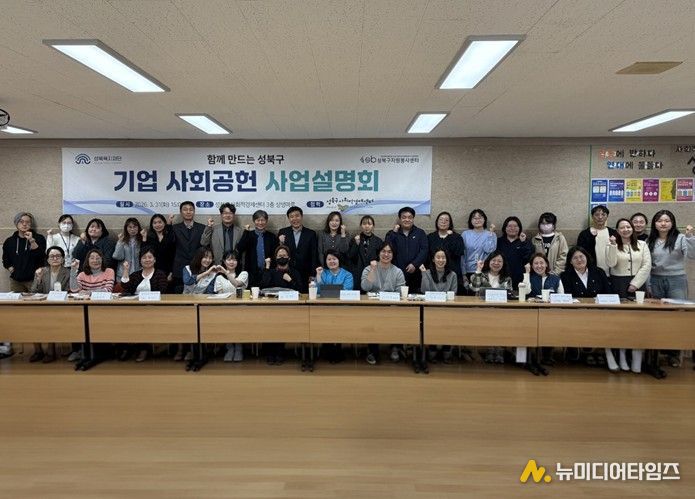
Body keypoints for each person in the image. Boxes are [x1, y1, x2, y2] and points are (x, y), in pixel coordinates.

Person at [646, 210, 695, 372]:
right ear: (654, 224)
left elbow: (692, 255)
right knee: (657, 317)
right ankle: (656, 354)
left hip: (676, 280)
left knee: (677, 316)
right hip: (655, 279)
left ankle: (674, 354)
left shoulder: (680, 238)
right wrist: (648, 284)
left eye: (667, 220)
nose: (663, 223)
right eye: (660, 220)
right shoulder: (649, 240)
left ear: (672, 223)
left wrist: (690, 237)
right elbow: (646, 264)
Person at [560, 246, 617, 372]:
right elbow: (566, 297)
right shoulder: (565, 276)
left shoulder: (599, 272)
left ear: (587, 257)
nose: (579, 260)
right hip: (576, 314)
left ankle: (606, 352)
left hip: (599, 312)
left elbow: (609, 293)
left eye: (581, 256)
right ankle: (586, 351)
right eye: (575, 258)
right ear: (570, 261)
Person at [605, 218, 651, 373]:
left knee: (638, 321)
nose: (626, 229)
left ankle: (637, 357)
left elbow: (646, 265)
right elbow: (611, 264)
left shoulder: (642, 244)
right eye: (622, 227)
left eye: (628, 227)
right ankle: (622, 355)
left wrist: (635, 284)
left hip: (638, 284)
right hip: (618, 284)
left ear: (632, 228)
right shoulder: (612, 245)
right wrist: (612, 246)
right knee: (620, 322)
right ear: (617, 231)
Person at [118, 247, 169, 362]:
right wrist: (126, 270)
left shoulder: (160, 274)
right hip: (135, 308)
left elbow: (162, 291)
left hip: (154, 309)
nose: (147, 260)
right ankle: (126, 348)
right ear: (140, 260)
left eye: (150, 257)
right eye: (144, 257)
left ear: (154, 260)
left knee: (143, 321)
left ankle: (143, 349)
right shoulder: (136, 275)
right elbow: (126, 286)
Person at [69, 248, 115, 371]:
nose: (95, 260)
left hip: (104, 310)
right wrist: (73, 271)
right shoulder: (82, 274)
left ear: (102, 260)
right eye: (92, 258)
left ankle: (96, 355)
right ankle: (85, 355)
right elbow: (74, 290)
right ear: (87, 261)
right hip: (85, 309)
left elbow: (108, 290)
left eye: (98, 258)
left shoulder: (109, 271)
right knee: (82, 323)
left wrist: (88, 292)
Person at [361, 241, 406, 365]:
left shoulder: (397, 271)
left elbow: (400, 293)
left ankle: (395, 347)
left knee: (399, 317)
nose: (386, 254)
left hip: (391, 307)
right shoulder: (368, 269)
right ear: (378, 253)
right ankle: (372, 350)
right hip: (372, 307)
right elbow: (365, 287)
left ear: (393, 254)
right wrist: (373, 269)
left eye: (389, 252)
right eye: (383, 251)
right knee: (371, 320)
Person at [520, 254, 564, 373]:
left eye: (541, 263)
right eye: (536, 263)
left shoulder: (555, 279)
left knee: (550, 328)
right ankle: (531, 360)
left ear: (546, 264)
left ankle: (546, 357)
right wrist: (527, 273)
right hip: (531, 314)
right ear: (531, 265)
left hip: (550, 315)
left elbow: (562, 297)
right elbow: (526, 291)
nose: (539, 266)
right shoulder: (529, 277)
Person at [470, 250, 513, 364]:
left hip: (501, 311)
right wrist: (478, 270)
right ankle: (489, 350)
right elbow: (474, 288)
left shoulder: (507, 278)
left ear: (503, 264)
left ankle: (499, 350)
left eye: (499, 261)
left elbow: (508, 295)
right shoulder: (481, 275)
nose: (496, 263)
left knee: (502, 324)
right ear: (489, 262)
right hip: (482, 311)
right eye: (494, 260)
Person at [261, 245, 302, 365]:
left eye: (284, 255)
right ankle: (270, 352)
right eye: (279, 256)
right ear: (275, 258)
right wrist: (267, 267)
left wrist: (290, 280)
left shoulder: (294, 272)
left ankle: (280, 352)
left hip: (288, 309)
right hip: (270, 309)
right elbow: (263, 285)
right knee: (269, 325)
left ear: (289, 258)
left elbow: (301, 290)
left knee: (281, 325)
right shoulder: (271, 271)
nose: (282, 257)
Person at [29, 246, 70, 363]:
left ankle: (51, 351)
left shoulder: (68, 272)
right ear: (47, 259)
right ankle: (38, 351)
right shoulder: (42, 271)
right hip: (44, 305)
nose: (55, 258)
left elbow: (68, 291)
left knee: (50, 320)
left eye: (58, 256)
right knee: (32, 319)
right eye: (52, 256)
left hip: (61, 306)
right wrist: (38, 279)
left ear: (63, 259)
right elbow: (33, 291)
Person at [315, 249, 353, 363]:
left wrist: (326, 290)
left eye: (334, 259)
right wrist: (318, 276)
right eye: (329, 259)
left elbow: (346, 291)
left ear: (339, 260)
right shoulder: (323, 273)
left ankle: (338, 348)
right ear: (325, 261)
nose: (332, 261)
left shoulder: (347, 274)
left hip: (342, 309)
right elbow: (317, 292)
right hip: (324, 308)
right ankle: (328, 347)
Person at [420, 249, 458, 363]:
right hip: (431, 309)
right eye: (438, 257)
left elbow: (453, 293)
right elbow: (424, 291)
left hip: (447, 310)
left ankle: (447, 348)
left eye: (443, 257)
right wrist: (423, 274)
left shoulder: (452, 275)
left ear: (447, 260)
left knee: (448, 323)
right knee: (431, 321)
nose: (440, 260)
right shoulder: (427, 273)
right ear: (433, 259)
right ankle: (432, 347)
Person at [214, 250, 248, 362]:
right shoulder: (219, 277)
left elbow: (237, 284)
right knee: (225, 323)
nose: (231, 262)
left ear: (238, 262)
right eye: (229, 259)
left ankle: (238, 348)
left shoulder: (243, 274)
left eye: (234, 259)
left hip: (240, 308)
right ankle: (229, 348)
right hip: (224, 309)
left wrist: (225, 272)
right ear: (224, 261)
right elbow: (219, 295)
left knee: (238, 324)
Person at [385, 206, 428, 292]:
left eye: (409, 217)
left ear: (413, 219)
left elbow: (424, 250)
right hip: (396, 273)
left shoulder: (420, 233)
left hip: (416, 274)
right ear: (400, 219)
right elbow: (387, 249)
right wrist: (394, 233)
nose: (407, 220)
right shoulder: (392, 233)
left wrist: (414, 264)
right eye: (404, 217)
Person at [278, 206, 319, 293]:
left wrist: (312, 274)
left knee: (304, 295)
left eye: (297, 216)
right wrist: (280, 243)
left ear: (302, 216)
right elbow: (279, 252)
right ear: (289, 219)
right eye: (291, 216)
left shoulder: (311, 233)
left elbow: (314, 255)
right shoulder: (283, 232)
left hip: (305, 272)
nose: (295, 219)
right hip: (288, 272)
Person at [236, 210, 279, 287]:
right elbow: (240, 248)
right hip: (252, 273)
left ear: (266, 221)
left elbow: (276, 255)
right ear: (254, 221)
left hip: (268, 272)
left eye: (263, 220)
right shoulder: (249, 235)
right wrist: (246, 232)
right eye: (258, 220)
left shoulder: (272, 237)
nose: (260, 223)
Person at [171, 201, 205, 293]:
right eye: (185, 210)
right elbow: (171, 248)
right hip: (179, 268)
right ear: (181, 212)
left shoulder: (202, 227)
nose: (188, 212)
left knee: (198, 295)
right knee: (179, 295)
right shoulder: (174, 228)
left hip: (197, 267)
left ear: (194, 211)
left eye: (191, 209)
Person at [427, 211, 465, 291]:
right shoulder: (430, 237)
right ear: (437, 222)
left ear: (450, 223)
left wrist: (451, 237)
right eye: (441, 219)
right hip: (434, 274)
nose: (443, 222)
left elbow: (458, 252)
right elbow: (428, 256)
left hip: (452, 274)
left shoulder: (457, 237)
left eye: (446, 220)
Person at [576, 205, 618, 275]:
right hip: (591, 272)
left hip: (612, 272)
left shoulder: (613, 233)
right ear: (592, 217)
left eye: (603, 214)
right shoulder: (585, 234)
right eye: (597, 215)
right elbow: (580, 253)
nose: (600, 217)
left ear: (607, 216)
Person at [347, 215, 383, 293]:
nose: (367, 226)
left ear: (373, 226)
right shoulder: (355, 239)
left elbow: (381, 259)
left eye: (369, 224)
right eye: (364, 224)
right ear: (361, 226)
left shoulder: (378, 241)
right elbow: (350, 257)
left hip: (372, 273)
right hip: (357, 274)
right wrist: (356, 244)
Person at [496, 216, 533, 287]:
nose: (512, 228)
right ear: (505, 228)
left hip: (520, 278)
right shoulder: (499, 241)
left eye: (515, 226)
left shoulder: (525, 242)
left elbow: (528, 258)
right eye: (509, 226)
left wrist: (523, 243)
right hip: (502, 277)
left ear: (519, 228)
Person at [461, 209, 497, 279]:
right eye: (474, 218)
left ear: (484, 220)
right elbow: (462, 255)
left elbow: (489, 250)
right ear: (471, 221)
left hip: (485, 271)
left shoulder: (491, 234)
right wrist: (463, 273)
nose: (477, 220)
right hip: (469, 270)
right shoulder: (465, 234)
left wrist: (491, 234)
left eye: (480, 218)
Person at [144, 214, 176, 280]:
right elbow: (144, 253)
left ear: (164, 223)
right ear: (152, 225)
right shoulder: (150, 237)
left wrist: (171, 272)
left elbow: (173, 254)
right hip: (153, 271)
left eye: (160, 222)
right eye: (155, 223)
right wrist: (144, 238)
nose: (157, 225)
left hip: (168, 271)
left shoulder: (169, 236)